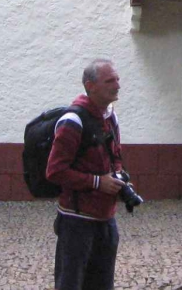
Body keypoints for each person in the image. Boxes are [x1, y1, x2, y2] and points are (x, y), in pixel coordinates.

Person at [46, 58, 126, 290]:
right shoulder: (73, 121)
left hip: (106, 219)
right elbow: (55, 171)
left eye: (117, 79)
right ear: (90, 86)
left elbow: (116, 156)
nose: (117, 85)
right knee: (71, 284)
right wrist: (98, 182)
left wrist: (119, 177)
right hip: (76, 221)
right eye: (110, 81)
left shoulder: (111, 117)